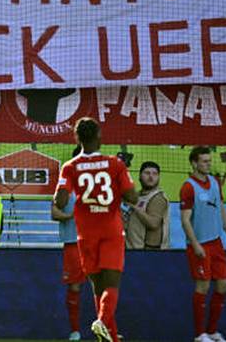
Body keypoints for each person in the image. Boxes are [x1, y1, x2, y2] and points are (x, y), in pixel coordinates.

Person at [54, 118, 138, 342]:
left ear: (77, 138)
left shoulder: (70, 167)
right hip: (111, 230)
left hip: (85, 234)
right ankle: (101, 322)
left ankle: (110, 336)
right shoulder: (115, 164)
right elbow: (132, 197)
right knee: (112, 284)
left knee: (97, 288)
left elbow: (60, 201)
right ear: (100, 137)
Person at [180, 146, 226, 342]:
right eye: (204, 161)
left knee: (224, 286)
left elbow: (221, 209)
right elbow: (185, 219)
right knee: (202, 287)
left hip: (217, 243)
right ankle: (199, 335)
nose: (208, 164)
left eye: (209, 161)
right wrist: (195, 244)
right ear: (194, 163)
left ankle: (212, 331)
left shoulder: (215, 182)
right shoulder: (188, 187)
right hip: (200, 244)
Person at [50, 156, 87, 342]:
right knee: (74, 286)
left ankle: (106, 327)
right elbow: (54, 212)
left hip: (96, 244)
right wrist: (70, 215)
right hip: (73, 244)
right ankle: (75, 330)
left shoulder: (96, 185)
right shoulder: (64, 189)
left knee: (103, 286)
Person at [123, 160, 170, 249]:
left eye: (155, 174)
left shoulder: (158, 198)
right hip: (133, 248)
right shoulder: (137, 195)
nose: (151, 177)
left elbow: (153, 223)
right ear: (140, 176)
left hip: (149, 252)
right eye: (147, 173)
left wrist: (133, 206)